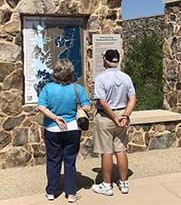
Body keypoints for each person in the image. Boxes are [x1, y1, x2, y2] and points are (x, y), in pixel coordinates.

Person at [37, 58, 91, 203]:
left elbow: (41, 107)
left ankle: (51, 191)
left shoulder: (48, 88)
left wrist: (55, 118)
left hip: (53, 129)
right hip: (73, 128)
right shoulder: (77, 89)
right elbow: (87, 107)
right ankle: (71, 193)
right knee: (70, 161)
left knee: (53, 160)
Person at [91, 49, 136, 196]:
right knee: (121, 149)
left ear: (105, 60)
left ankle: (106, 184)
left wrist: (114, 117)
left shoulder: (101, 78)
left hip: (106, 116)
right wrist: (125, 116)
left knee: (106, 151)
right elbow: (132, 99)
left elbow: (102, 102)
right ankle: (123, 183)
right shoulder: (125, 77)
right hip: (122, 113)